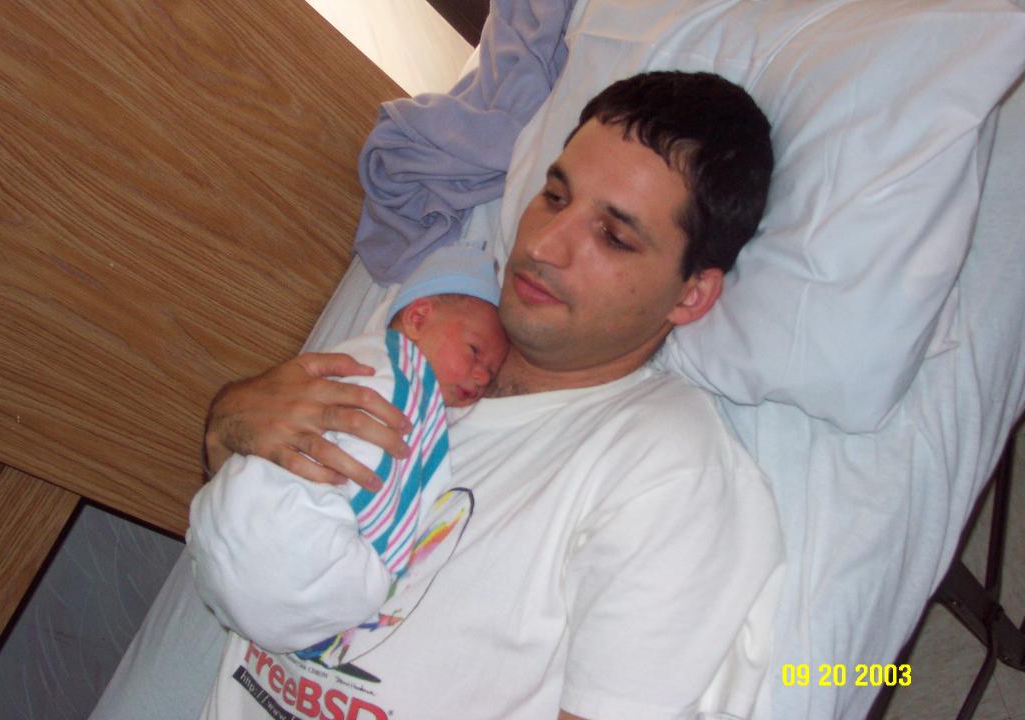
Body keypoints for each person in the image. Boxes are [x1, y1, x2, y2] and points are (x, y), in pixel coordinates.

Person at [192, 70, 783, 720]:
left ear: (691, 295)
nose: (543, 246)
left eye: (614, 236)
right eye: (554, 197)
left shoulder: (668, 468)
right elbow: (254, 508)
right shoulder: (426, 333)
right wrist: (227, 426)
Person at [189, 244, 508, 665]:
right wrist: (382, 560)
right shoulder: (395, 374)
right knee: (366, 585)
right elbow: (375, 472)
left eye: (491, 375)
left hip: (212, 537)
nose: (482, 376)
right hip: (287, 537)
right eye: (474, 350)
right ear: (417, 319)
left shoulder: (372, 358)